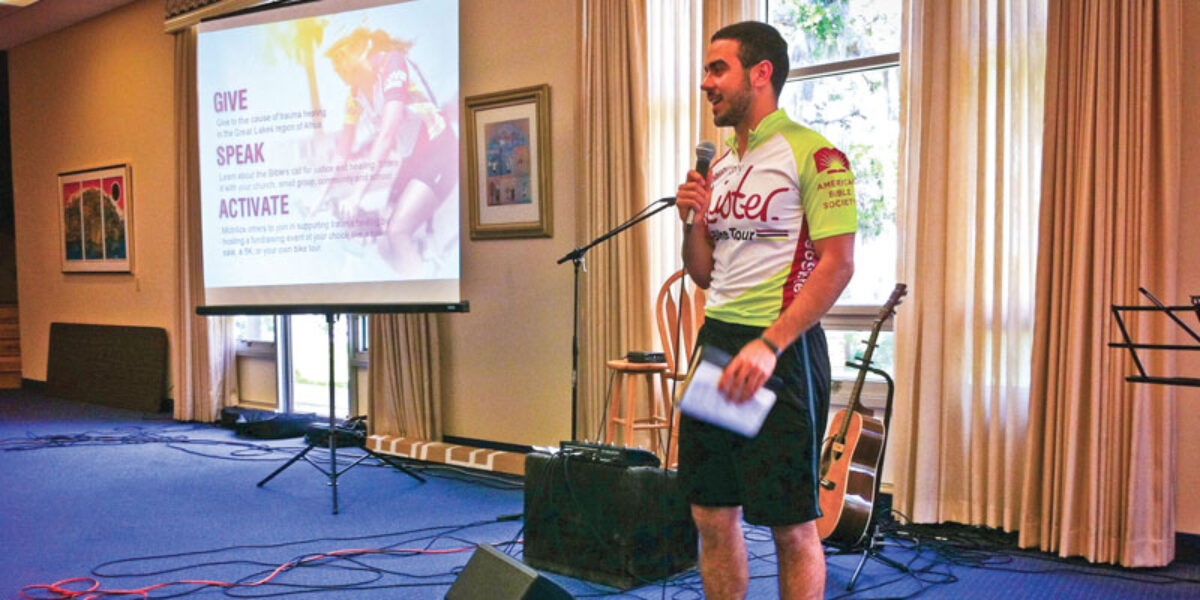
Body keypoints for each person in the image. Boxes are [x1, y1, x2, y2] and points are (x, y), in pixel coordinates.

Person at [674, 21, 858, 600]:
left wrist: (770, 343)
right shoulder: (721, 165)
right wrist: (695, 222)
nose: (706, 83)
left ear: (761, 74)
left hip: (781, 350)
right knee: (710, 513)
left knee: (789, 524)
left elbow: (839, 263)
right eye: (706, 70)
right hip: (720, 339)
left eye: (717, 69)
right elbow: (702, 272)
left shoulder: (816, 154)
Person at [322, 27, 457, 277]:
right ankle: (422, 267)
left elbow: (387, 135)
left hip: (440, 151)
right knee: (385, 242)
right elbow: (344, 149)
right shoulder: (356, 94)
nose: (336, 66)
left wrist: (356, 196)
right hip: (413, 160)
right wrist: (317, 199)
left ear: (361, 48)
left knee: (397, 231)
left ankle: (425, 292)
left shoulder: (392, 64)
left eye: (340, 56)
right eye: (333, 62)